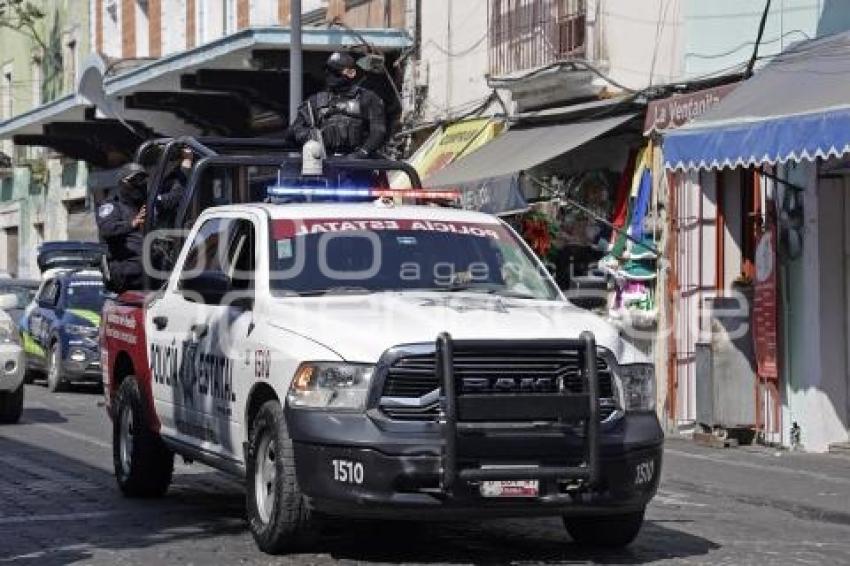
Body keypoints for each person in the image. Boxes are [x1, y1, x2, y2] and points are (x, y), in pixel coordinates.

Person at [290, 51, 387, 158]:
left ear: (351, 73)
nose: (329, 75)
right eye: (327, 71)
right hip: (325, 163)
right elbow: (294, 131)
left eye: (335, 72)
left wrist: (361, 154)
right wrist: (312, 136)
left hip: (360, 165)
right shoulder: (314, 101)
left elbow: (379, 131)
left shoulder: (368, 98)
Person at [96, 163, 148, 292]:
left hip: (148, 274)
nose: (139, 184)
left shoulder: (144, 204)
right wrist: (132, 224)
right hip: (125, 275)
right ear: (123, 182)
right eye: (135, 180)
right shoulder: (112, 204)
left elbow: (172, 199)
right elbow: (107, 228)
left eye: (142, 179)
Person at [154, 147, 194, 227]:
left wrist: (157, 199)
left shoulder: (179, 176)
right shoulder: (163, 175)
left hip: (169, 223)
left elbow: (175, 197)